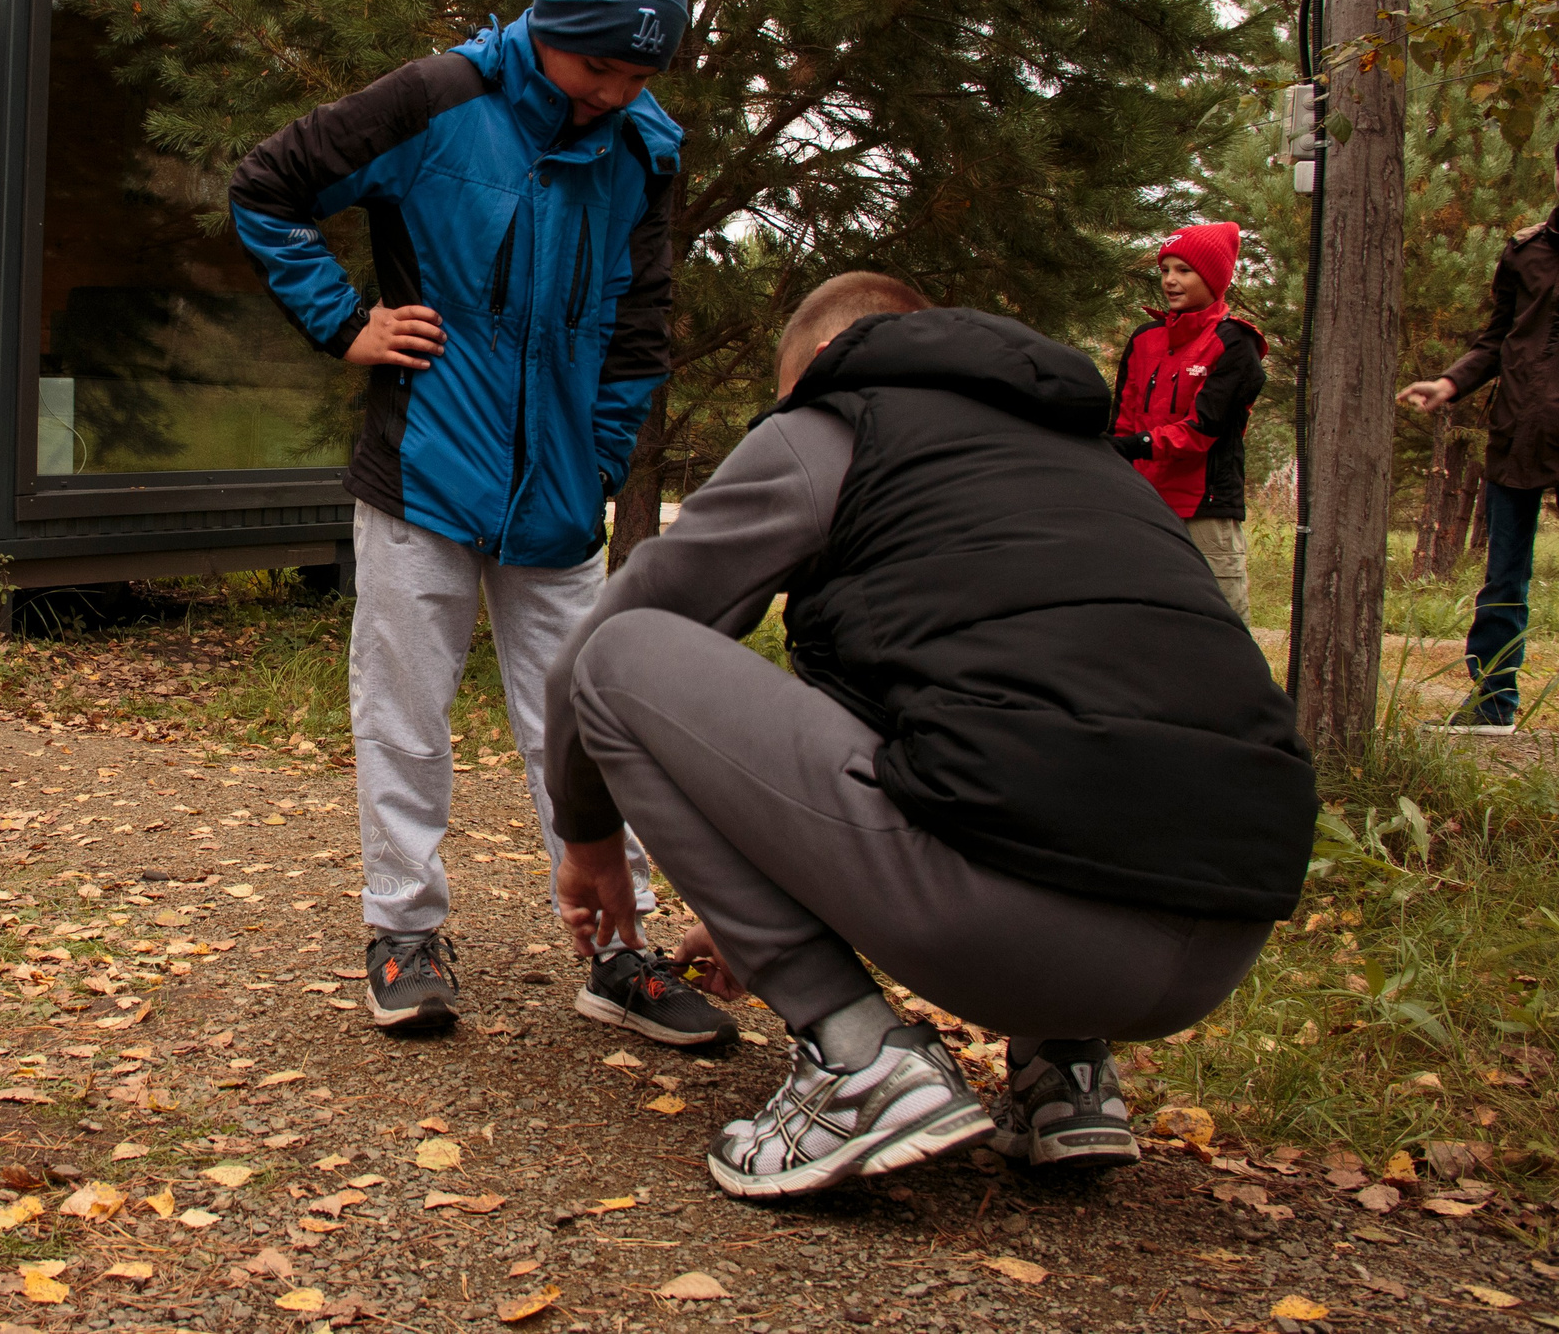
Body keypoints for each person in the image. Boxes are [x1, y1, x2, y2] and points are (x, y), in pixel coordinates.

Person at [544, 275, 1317, 1198]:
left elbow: (595, 657)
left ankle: (857, 1062)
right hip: (1221, 941)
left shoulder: (834, 425)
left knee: (622, 654)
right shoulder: (1097, 467)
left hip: (1010, 931)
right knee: (1024, 697)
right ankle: (1066, 1076)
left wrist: (589, 840)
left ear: (819, 372)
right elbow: (998, 708)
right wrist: (767, 892)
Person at [228, 0, 730, 1046]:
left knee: (594, 729)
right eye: (596, 63)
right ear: (552, 24)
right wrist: (343, 321)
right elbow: (267, 187)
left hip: (557, 497)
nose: (611, 90)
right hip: (422, 472)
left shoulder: (643, 147)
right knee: (403, 716)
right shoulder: (440, 98)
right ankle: (403, 932)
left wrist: (598, 458)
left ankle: (617, 955)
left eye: (637, 72)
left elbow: (637, 329)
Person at [1398, 147, 1559, 734]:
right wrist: (1449, 382)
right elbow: (1497, 338)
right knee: (1503, 576)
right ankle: (1493, 704)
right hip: (1519, 429)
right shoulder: (1526, 251)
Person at [1107, 222, 1266, 621]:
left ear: (1212, 278)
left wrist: (1131, 447)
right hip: (1143, 505)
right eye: (1165, 271)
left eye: (1183, 271)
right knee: (1140, 617)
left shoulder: (1235, 343)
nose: (1170, 281)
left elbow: (1202, 430)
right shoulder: (1144, 339)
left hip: (1205, 511)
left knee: (1221, 623)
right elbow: (1123, 421)